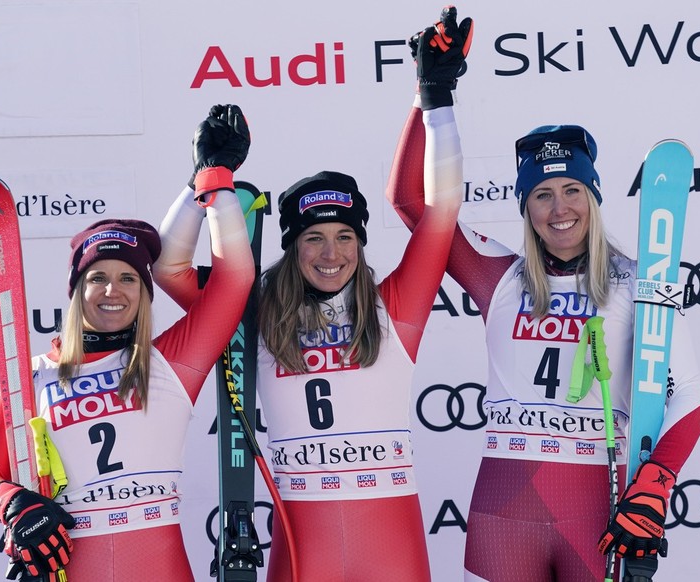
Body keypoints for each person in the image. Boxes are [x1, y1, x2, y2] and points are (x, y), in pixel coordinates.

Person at [153, 9, 472, 581]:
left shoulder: (393, 308)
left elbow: (441, 209)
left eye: (345, 237)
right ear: (293, 248)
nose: (331, 254)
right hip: (304, 554)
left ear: (361, 243)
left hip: (391, 552)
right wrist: (205, 177)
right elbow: (169, 268)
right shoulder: (257, 313)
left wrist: (437, 97)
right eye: (314, 239)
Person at [388, 118, 700, 579]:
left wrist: (657, 481)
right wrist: (432, 96)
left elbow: (690, 396)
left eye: (572, 189)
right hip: (504, 514)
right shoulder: (497, 277)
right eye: (542, 194)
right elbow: (411, 203)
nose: (560, 208)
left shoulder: (641, 281)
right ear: (526, 207)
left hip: (600, 507)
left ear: (593, 197)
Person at [0, 104, 255, 581]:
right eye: (96, 277)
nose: (111, 290)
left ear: (145, 293)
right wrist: (13, 504)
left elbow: (235, 280)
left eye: (128, 279)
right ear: (76, 291)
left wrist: (211, 180)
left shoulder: (169, 363)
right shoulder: (29, 377)